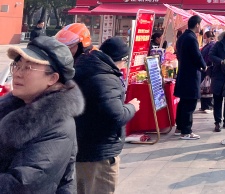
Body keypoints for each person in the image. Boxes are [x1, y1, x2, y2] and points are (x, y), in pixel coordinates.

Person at [0, 37, 84, 193]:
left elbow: (23, 184)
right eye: (17, 65)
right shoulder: (15, 106)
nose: (17, 73)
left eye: (28, 68)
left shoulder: (59, 126)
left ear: (52, 78)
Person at [74, 37, 140, 193]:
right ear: (122, 59)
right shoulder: (105, 78)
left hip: (83, 146)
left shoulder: (88, 66)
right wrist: (132, 107)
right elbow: (116, 116)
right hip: (99, 152)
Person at [174, 15, 207, 139]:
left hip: (183, 72)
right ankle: (186, 131)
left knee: (183, 102)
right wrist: (204, 66)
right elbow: (197, 55)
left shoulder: (182, 37)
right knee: (190, 103)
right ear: (197, 25)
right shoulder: (191, 38)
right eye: (201, 24)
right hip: (191, 74)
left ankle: (179, 127)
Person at [199, 30, 217, 113]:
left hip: (209, 68)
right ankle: (204, 105)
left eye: (205, 37)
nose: (204, 39)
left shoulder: (212, 45)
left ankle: (209, 105)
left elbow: (209, 57)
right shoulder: (208, 45)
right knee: (203, 87)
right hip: (204, 68)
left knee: (208, 87)